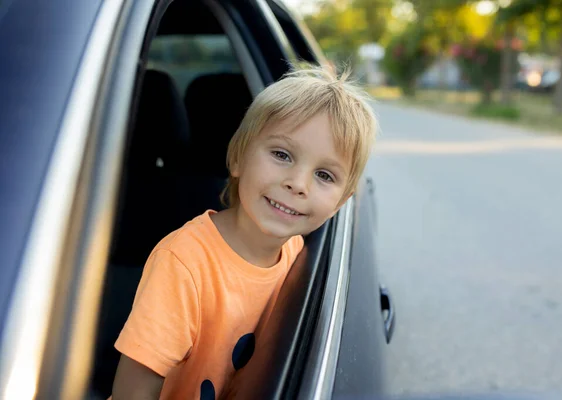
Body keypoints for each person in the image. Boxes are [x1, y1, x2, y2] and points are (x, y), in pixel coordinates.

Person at [110, 64, 378, 400]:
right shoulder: (184, 263)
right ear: (237, 158)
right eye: (282, 155)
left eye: (325, 175)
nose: (297, 184)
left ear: (341, 203)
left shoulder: (297, 251)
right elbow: (131, 393)